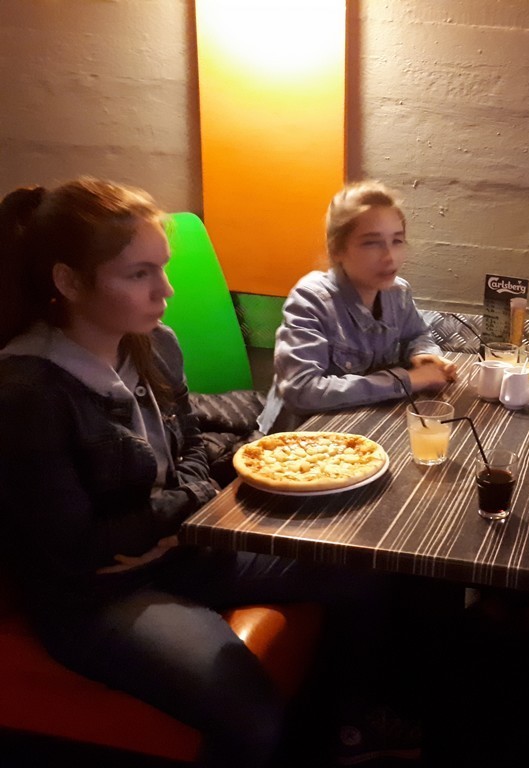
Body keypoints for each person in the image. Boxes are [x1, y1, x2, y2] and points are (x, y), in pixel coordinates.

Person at [0, 178, 401, 767]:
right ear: (69, 281)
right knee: (251, 714)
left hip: (180, 547)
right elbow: (77, 550)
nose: (165, 290)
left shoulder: (154, 344)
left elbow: (190, 451)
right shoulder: (27, 392)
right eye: (139, 273)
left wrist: (171, 518)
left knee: (363, 569)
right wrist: (182, 510)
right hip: (97, 595)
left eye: (162, 268)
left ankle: (345, 730)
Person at [259, 180, 456, 433]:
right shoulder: (311, 299)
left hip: (361, 425)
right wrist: (405, 380)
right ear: (337, 249)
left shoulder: (398, 292)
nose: (389, 257)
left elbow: (418, 334)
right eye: (371, 243)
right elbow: (301, 391)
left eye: (397, 241)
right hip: (299, 438)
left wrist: (423, 355)